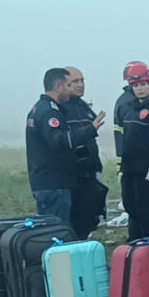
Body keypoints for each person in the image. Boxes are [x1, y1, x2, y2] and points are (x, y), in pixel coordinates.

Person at [27, 68, 100, 223]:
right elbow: (59, 141)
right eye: (69, 85)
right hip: (54, 182)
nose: (72, 88)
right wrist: (90, 130)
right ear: (58, 87)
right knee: (57, 231)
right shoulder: (48, 112)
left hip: (57, 182)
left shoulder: (45, 108)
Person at [113, 61, 149, 243]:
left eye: (143, 84)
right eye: (135, 85)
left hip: (146, 169)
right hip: (129, 168)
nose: (140, 89)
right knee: (130, 207)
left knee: (144, 209)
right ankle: (136, 242)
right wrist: (122, 168)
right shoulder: (128, 109)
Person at [62, 67, 108, 238]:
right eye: (75, 82)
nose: (80, 85)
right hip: (71, 177)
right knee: (70, 223)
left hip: (90, 174)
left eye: (82, 81)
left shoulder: (84, 108)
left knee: (89, 220)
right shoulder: (60, 109)